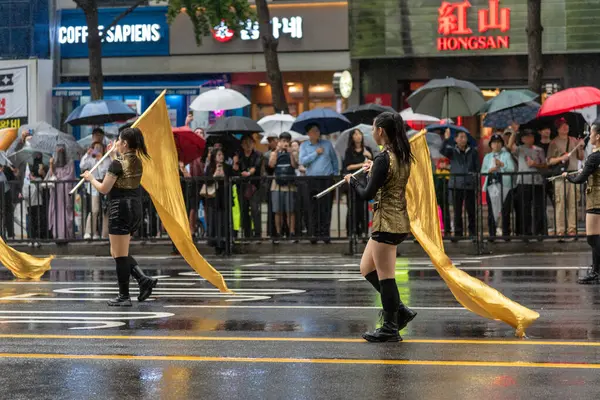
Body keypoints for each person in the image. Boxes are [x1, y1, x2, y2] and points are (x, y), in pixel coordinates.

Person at [344, 112, 416, 342]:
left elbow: (366, 193)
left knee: (386, 277)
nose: (372, 133)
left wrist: (353, 181)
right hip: (396, 220)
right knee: (366, 268)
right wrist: (372, 170)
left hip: (386, 222)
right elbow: (385, 180)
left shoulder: (384, 158)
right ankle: (400, 311)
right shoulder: (401, 154)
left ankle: (390, 327)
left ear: (381, 131)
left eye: (374, 129)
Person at [82, 127, 157, 306]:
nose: (115, 142)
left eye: (119, 140)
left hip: (120, 208)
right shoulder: (137, 160)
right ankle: (142, 280)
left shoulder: (116, 164)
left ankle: (124, 296)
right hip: (134, 208)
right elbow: (124, 170)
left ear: (124, 143)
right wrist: (114, 153)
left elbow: (104, 189)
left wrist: (90, 178)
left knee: (120, 255)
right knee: (117, 252)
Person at [564, 122, 600, 284]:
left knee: (593, 238)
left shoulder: (595, 156)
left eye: (591, 133)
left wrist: (567, 176)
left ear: (598, 136)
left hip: (596, 201)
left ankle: (596, 272)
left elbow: (580, 179)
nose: (589, 135)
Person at [299, 124, 339, 244]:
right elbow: (303, 161)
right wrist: (316, 153)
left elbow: (334, 160)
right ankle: (314, 234)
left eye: (317, 130)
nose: (316, 133)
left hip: (326, 179)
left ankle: (325, 234)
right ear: (308, 133)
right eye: (313, 131)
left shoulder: (327, 144)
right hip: (311, 180)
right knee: (313, 208)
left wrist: (335, 174)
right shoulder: (304, 145)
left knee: (326, 207)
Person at [547, 118, 585, 238]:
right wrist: (561, 158)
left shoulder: (574, 140)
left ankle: (572, 229)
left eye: (566, 125)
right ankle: (560, 230)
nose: (565, 127)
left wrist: (581, 147)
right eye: (562, 126)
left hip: (573, 174)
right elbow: (549, 161)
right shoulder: (554, 142)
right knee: (560, 203)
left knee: (573, 203)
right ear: (558, 129)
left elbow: (580, 157)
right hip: (560, 177)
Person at [440, 129, 479, 240]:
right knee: (457, 211)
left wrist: (475, 181)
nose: (463, 139)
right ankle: (458, 233)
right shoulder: (452, 151)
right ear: (456, 139)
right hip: (456, 185)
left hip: (469, 185)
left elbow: (477, 168)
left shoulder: (473, 152)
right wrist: (446, 139)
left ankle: (472, 232)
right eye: (460, 137)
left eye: (465, 137)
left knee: (471, 211)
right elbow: (442, 150)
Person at [508, 129, 547, 237]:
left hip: (537, 181)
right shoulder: (520, 149)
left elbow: (545, 165)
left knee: (539, 207)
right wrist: (514, 132)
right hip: (523, 182)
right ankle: (526, 231)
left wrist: (535, 164)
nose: (529, 138)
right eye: (526, 137)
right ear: (522, 139)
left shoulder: (539, 150)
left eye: (531, 136)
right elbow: (509, 146)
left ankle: (539, 231)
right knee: (525, 208)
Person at [481, 134, 516, 238]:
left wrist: (502, 165)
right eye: (494, 143)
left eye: (499, 142)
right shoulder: (487, 157)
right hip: (491, 185)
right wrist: (489, 170)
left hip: (505, 185)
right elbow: (482, 171)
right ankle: (492, 234)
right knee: (492, 211)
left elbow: (512, 169)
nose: (496, 145)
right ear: (491, 145)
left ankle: (506, 234)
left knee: (505, 210)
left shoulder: (506, 155)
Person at [343, 128, 373, 240]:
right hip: (353, 182)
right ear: (352, 137)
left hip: (365, 182)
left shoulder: (367, 150)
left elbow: (372, 165)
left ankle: (364, 232)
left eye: (359, 133)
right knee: (352, 207)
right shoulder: (349, 151)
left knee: (364, 208)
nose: (358, 136)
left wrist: (369, 156)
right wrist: (362, 164)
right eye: (355, 134)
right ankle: (351, 232)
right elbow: (348, 167)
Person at [269, 132, 298, 244]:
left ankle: (291, 232)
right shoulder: (274, 152)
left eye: (287, 141)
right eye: (283, 141)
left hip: (289, 184)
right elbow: (271, 165)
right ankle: (278, 232)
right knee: (278, 211)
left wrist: (291, 153)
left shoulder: (293, 152)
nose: (285, 143)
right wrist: (276, 151)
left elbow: (295, 165)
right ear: (279, 142)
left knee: (290, 210)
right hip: (276, 185)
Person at [79, 141, 111, 240]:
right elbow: (82, 166)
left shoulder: (107, 159)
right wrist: (87, 154)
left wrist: (100, 160)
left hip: (104, 186)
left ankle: (105, 234)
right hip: (94, 187)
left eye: (99, 147)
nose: (97, 149)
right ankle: (89, 232)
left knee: (105, 210)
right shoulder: (91, 159)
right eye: (95, 147)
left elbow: (104, 171)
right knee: (94, 209)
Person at [46, 144, 75, 241]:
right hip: (56, 192)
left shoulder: (70, 162)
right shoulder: (54, 163)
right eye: (58, 150)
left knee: (67, 211)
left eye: (62, 150)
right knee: (56, 211)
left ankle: (67, 235)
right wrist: (51, 165)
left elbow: (71, 176)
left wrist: (60, 179)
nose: (60, 152)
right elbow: (51, 175)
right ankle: (57, 235)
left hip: (65, 190)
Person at [237, 134, 263, 241]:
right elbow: (237, 168)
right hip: (242, 185)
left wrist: (248, 173)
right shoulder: (239, 155)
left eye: (250, 142)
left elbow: (256, 167)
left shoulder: (258, 154)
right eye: (245, 142)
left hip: (254, 185)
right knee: (243, 210)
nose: (247, 145)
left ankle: (257, 234)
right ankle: (246, 234)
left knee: (255, 210)